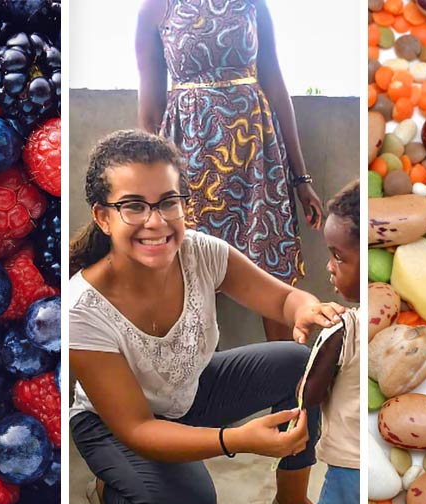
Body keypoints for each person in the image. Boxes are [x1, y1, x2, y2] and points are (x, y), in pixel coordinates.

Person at [67, 129, 343, 504]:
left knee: (298, 362)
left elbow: (284, 298)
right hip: (116, 423)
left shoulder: (201, 253)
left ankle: (291, 503)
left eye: (168, 202)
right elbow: (138, 427)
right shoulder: (82, 308)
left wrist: (304, 309)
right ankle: (110, 494)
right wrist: (236, 439)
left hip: (189, 390)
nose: (155, 221)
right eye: (134, 206)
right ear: (103, 217)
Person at [136, 0, 324, 342]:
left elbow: (276, 86)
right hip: (189, 163)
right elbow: (150, 115)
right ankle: (198, 388)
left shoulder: (253, 4)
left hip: (257, 160)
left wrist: (301, 178)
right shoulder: (157, 8)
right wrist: (153, 186)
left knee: (272, 271)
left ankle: (288, 386)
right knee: (192, 276)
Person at [298, 180, 359, 504]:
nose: (330, 267)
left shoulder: (345, 326)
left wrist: (310, 347)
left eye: (340, 257)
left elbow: (310, 392)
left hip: (350, 466)